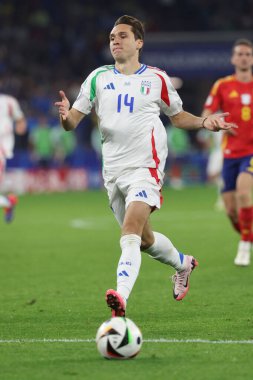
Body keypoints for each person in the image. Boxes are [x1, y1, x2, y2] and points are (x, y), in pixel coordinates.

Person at [55, 15, 236, 317]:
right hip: (113, 171)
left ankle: (120, 298)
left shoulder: (156, 78)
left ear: (138, 42)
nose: (115, 40)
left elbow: (177, 117)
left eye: (123, 36)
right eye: (112, 36)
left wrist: (205, 121)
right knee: (144, 240)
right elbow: (72, 122)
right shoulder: (98, 77)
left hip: (146, 166)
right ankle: (183, 263)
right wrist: (64, 115)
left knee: (130, 228)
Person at [202, 38, 253, 266]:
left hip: (250, 152)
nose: (243, 57)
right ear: (233, 58)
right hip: (230, 153)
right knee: (231, 211)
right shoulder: (222, 85)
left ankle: (243, 248)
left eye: (247, 54)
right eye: (239, 54)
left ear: (251, 59)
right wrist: (215, 122)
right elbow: (207, 112)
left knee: (244, 193)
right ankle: (247, 235)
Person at [0, 93, 26, 222]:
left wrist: (19, 128)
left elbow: (20, 121)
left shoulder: (9, 101)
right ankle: (8, 202)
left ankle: (8, 202)